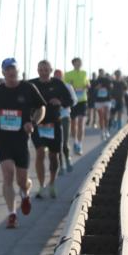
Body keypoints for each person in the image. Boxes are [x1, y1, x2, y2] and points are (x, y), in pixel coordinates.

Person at [0, 58, 46, 229]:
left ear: (18, 71)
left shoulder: (28, 88)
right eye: (8, 69)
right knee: (7, 174)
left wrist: (32, 123)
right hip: (3, 139)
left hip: (21, 140)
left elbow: (42, 108)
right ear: (3, 72)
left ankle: (26, 193)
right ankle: (12, 214)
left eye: (14, 69)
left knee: (22, 180)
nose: (11, 72)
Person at [29, 60, 75, 199]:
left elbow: (71, 101)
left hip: (54, 124)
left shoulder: (58, 84)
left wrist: (60, 102)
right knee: (40, 152)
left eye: (46, 69)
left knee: (54, 157)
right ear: (37, 70)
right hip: (38, 124)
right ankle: (42, 186)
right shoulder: (31, 84)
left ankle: (52, 182)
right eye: (41, 69)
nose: (43, 72)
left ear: (51, 70)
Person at [53, 68, 77, 173]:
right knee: (57, 142)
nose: (57, 78)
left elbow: (74, 101)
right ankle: (61, 165)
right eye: (56, 76)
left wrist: (63, 104)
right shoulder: (51, 87)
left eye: (59, 76)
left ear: (62, 77)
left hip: (65, 116)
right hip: (54, 117)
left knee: (64, 142)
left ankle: (68, 158)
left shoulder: (68, 87)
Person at [63, 57, 89, 155]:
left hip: (82, 100)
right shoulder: (68, 74)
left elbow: (87, 83)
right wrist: (71, 86)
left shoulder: (84, 73)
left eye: (80, 63)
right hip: (73, 101)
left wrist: (87, 86)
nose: (79, 64)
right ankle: (75, 142)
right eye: (77, 63)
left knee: (81, 123)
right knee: (74, 124)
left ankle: (80, 145)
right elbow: (65, 86)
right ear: (73, 64)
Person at [90, 68, 114, 140]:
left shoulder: (107, 80)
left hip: (107, 100)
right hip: (98, 101)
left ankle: (106, 130)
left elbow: (111, 88)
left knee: (106, 116)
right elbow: (91, 90)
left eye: (102, 72)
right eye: (100, 72)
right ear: (98, 73)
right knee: (101, 117)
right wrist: (96, 88)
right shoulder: (96, 81)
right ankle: (102, 131)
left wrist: (109, 86)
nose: (101, 74)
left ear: (104, 73)